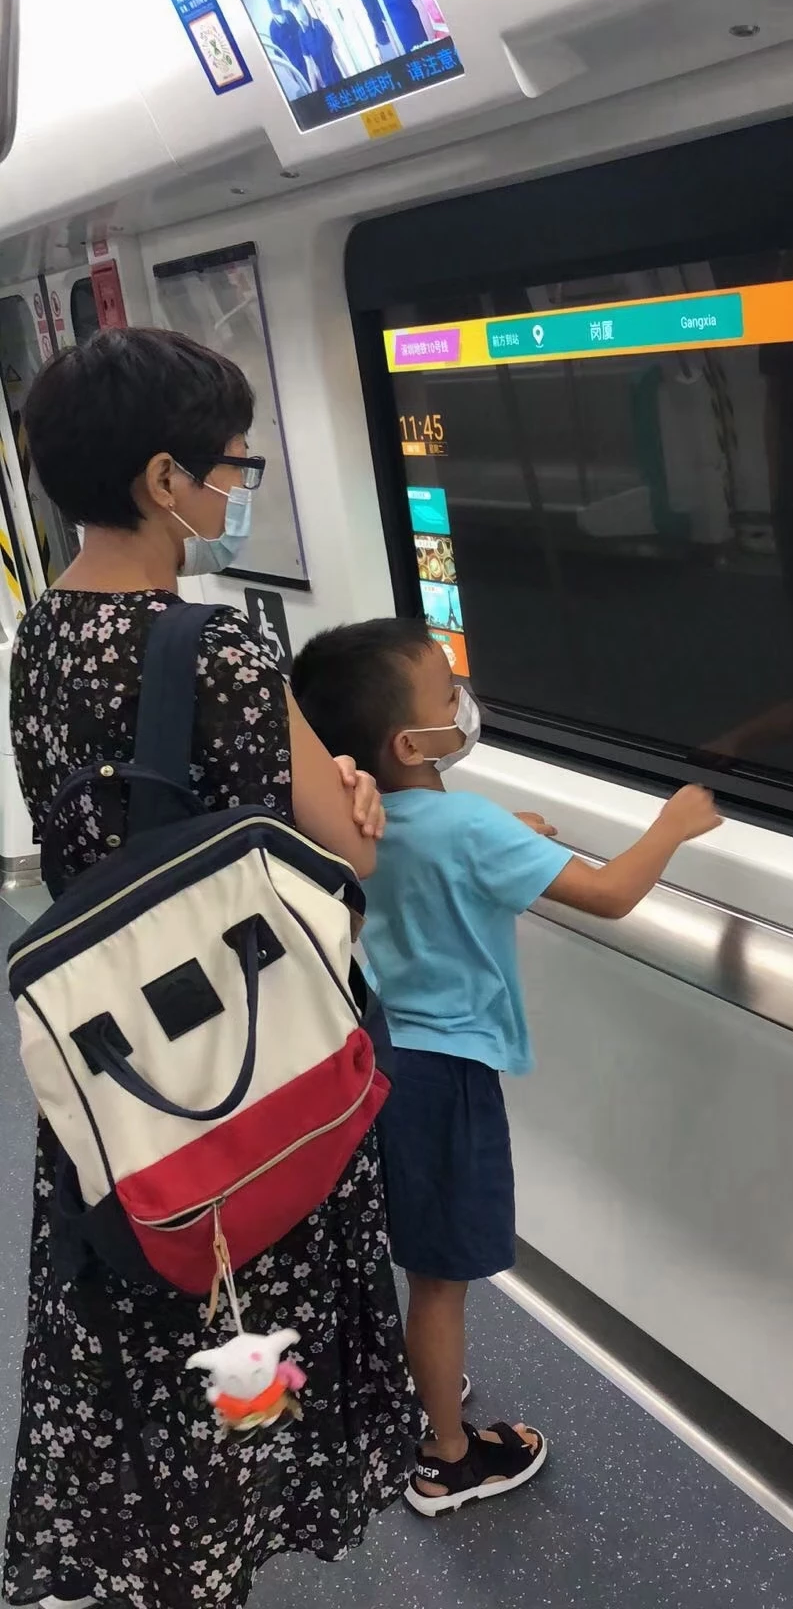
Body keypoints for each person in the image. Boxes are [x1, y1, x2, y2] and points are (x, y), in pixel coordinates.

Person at [4, 329, 421, 1609]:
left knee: (149, 1313)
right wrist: (354, 792)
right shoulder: (223, 650)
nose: (241, 486)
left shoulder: (43, 635)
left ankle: (169, 1563)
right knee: (246, 1318)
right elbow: (349, 848)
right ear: (162, 478)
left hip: (118, 1065)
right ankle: (219, 1551)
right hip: (248, 1055)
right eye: (231, 462)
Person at [291, 618, 720, 1514]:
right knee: (442, 1277)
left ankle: (427, 1391)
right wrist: (673, 826)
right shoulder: (465, 827)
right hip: (444, 1079)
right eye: (447, 695)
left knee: (419, 1260)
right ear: (413, 741)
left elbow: (435, 851)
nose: (462, 704)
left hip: (379, 1058)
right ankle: (446, 1457)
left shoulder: (358, 819)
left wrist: (504, 833)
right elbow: (607, 893)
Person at [283, 0, 344, 89]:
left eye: (297, 5)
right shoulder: (301, 35)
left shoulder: (319, 25)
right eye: (293, 8)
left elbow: (337, 54)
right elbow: (310, 67)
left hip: (338, 77)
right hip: (325, 84)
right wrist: (314, 92)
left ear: (301, 2)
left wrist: (350, 78)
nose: (296, 10)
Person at [264, 0, 308, 82]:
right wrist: (290, 73)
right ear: (270, 7)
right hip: (296, 68)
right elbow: (279, 55)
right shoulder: (273, 28)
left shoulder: (289, 15)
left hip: (307, 58)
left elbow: (301, 32)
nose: (277, 6)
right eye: (274, 5)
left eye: (278, 3)